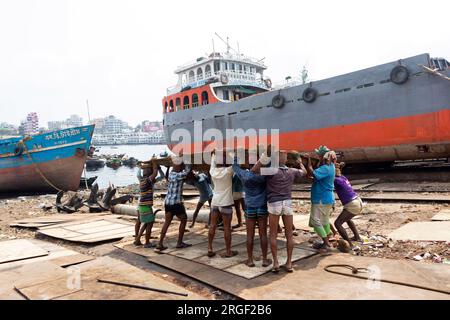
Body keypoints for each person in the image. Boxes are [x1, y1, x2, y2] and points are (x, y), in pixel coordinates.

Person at [253, 150, 306, 273]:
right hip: (287, 204)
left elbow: (254, 170)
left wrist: (263, 158)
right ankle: (289, 263)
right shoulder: (292, 171)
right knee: (289, 235)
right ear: (286, 160)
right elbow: (304, 172)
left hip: (274, 204)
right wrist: (299, 162)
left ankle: (276, 262)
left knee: (272, 235)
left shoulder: (271, 171)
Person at [232, 155, 272, 268]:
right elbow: (269, 163)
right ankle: (264, 259)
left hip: (249, 207)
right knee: (263, 234)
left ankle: (250, 260)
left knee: (250, 235)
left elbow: (234, 166)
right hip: (262, 206)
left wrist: (236, 155)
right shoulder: (264, 174)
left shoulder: (245, 175)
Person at [156, 157, 192, 251]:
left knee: (167, 223)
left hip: (168, 202)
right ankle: (179, 243)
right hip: (176, 203)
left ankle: (160, 243)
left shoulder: (172, 174)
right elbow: (188, 171)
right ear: (180, 166)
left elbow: (174, 170)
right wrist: (188, 160)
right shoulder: (179, 175)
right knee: (183, 220)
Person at [305, 146, 336, 253]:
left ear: (323, 157)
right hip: (327, 198)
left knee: (315, 221)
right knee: (324, 221)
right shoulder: (330, 166)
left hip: (321, 198)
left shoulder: (325, 168)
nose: (317, 157)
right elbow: (317, 178)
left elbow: (313, 173)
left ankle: (327, 244)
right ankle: (326, 241)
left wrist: (308, 164)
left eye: (319, 155)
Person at [208, 151, 237, 258]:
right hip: (226, 203)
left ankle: (210, 248)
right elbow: (235, 162)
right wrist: (230, 152)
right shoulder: (229, 171)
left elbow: (212, 162)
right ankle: (228, 251)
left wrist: (214, 155)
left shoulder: (212, 171)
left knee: (212, 225)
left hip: (215, 202)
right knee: (227, 228)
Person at [134, 159, 165, 247]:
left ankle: (137, 239)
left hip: (142, 206)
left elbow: (160, 176)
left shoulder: (142, 180)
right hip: (146, 206)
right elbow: (155, 174)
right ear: (149, 172)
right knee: (149, 225)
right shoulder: (147, 180)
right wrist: (155, 164)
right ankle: (147, 243)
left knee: (146, 223)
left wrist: (158, 168)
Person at [333, 162, 362, 248]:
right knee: (347, 219)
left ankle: (350, 244)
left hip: (352, 204)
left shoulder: (335, 180)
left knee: (337, 223)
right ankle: (357, 237)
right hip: (357, 200)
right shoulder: (342, 177)